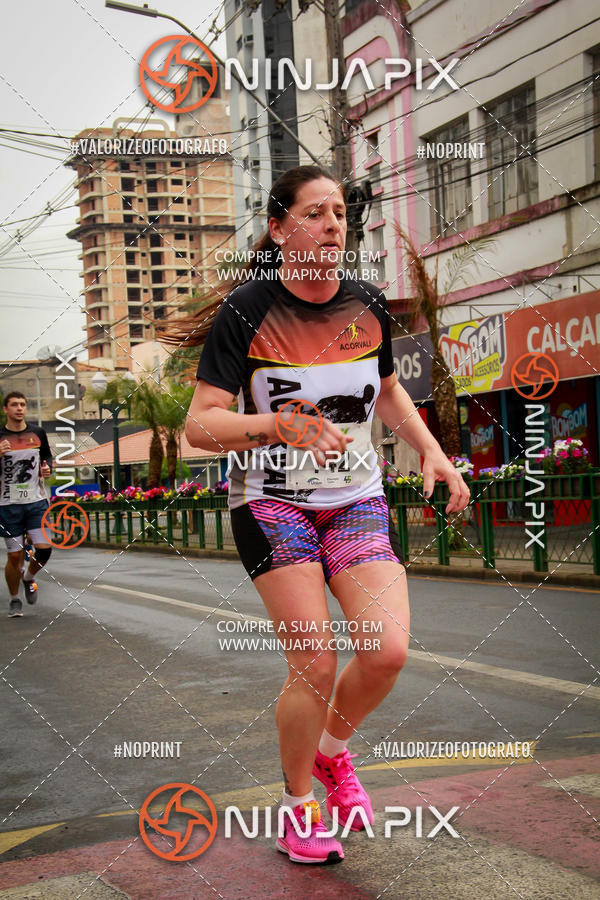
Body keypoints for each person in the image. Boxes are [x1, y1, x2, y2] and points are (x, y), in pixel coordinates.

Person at [171, 165, 470, 864]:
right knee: (312, 657)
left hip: (356, 498)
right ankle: (298, 808)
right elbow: (200, 428)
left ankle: (335, 755)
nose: (334, 225)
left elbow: (389, 392)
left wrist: (432, 453)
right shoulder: (247, 310)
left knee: (387, 651)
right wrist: (278, 425)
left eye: (340, 213)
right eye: (315, 213)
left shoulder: (366, 303)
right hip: (271, 502)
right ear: (279, 229)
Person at [0, 392, 53, 617]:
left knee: (45, 549)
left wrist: (47, 468)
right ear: (6, 409)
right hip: (7, 504)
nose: (19, 408)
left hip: (36, 502)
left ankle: (28, 577)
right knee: (14, 556)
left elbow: (47, 457)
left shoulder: (37, 432)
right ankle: (14, 599)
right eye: (14, 405)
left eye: (22, 404)